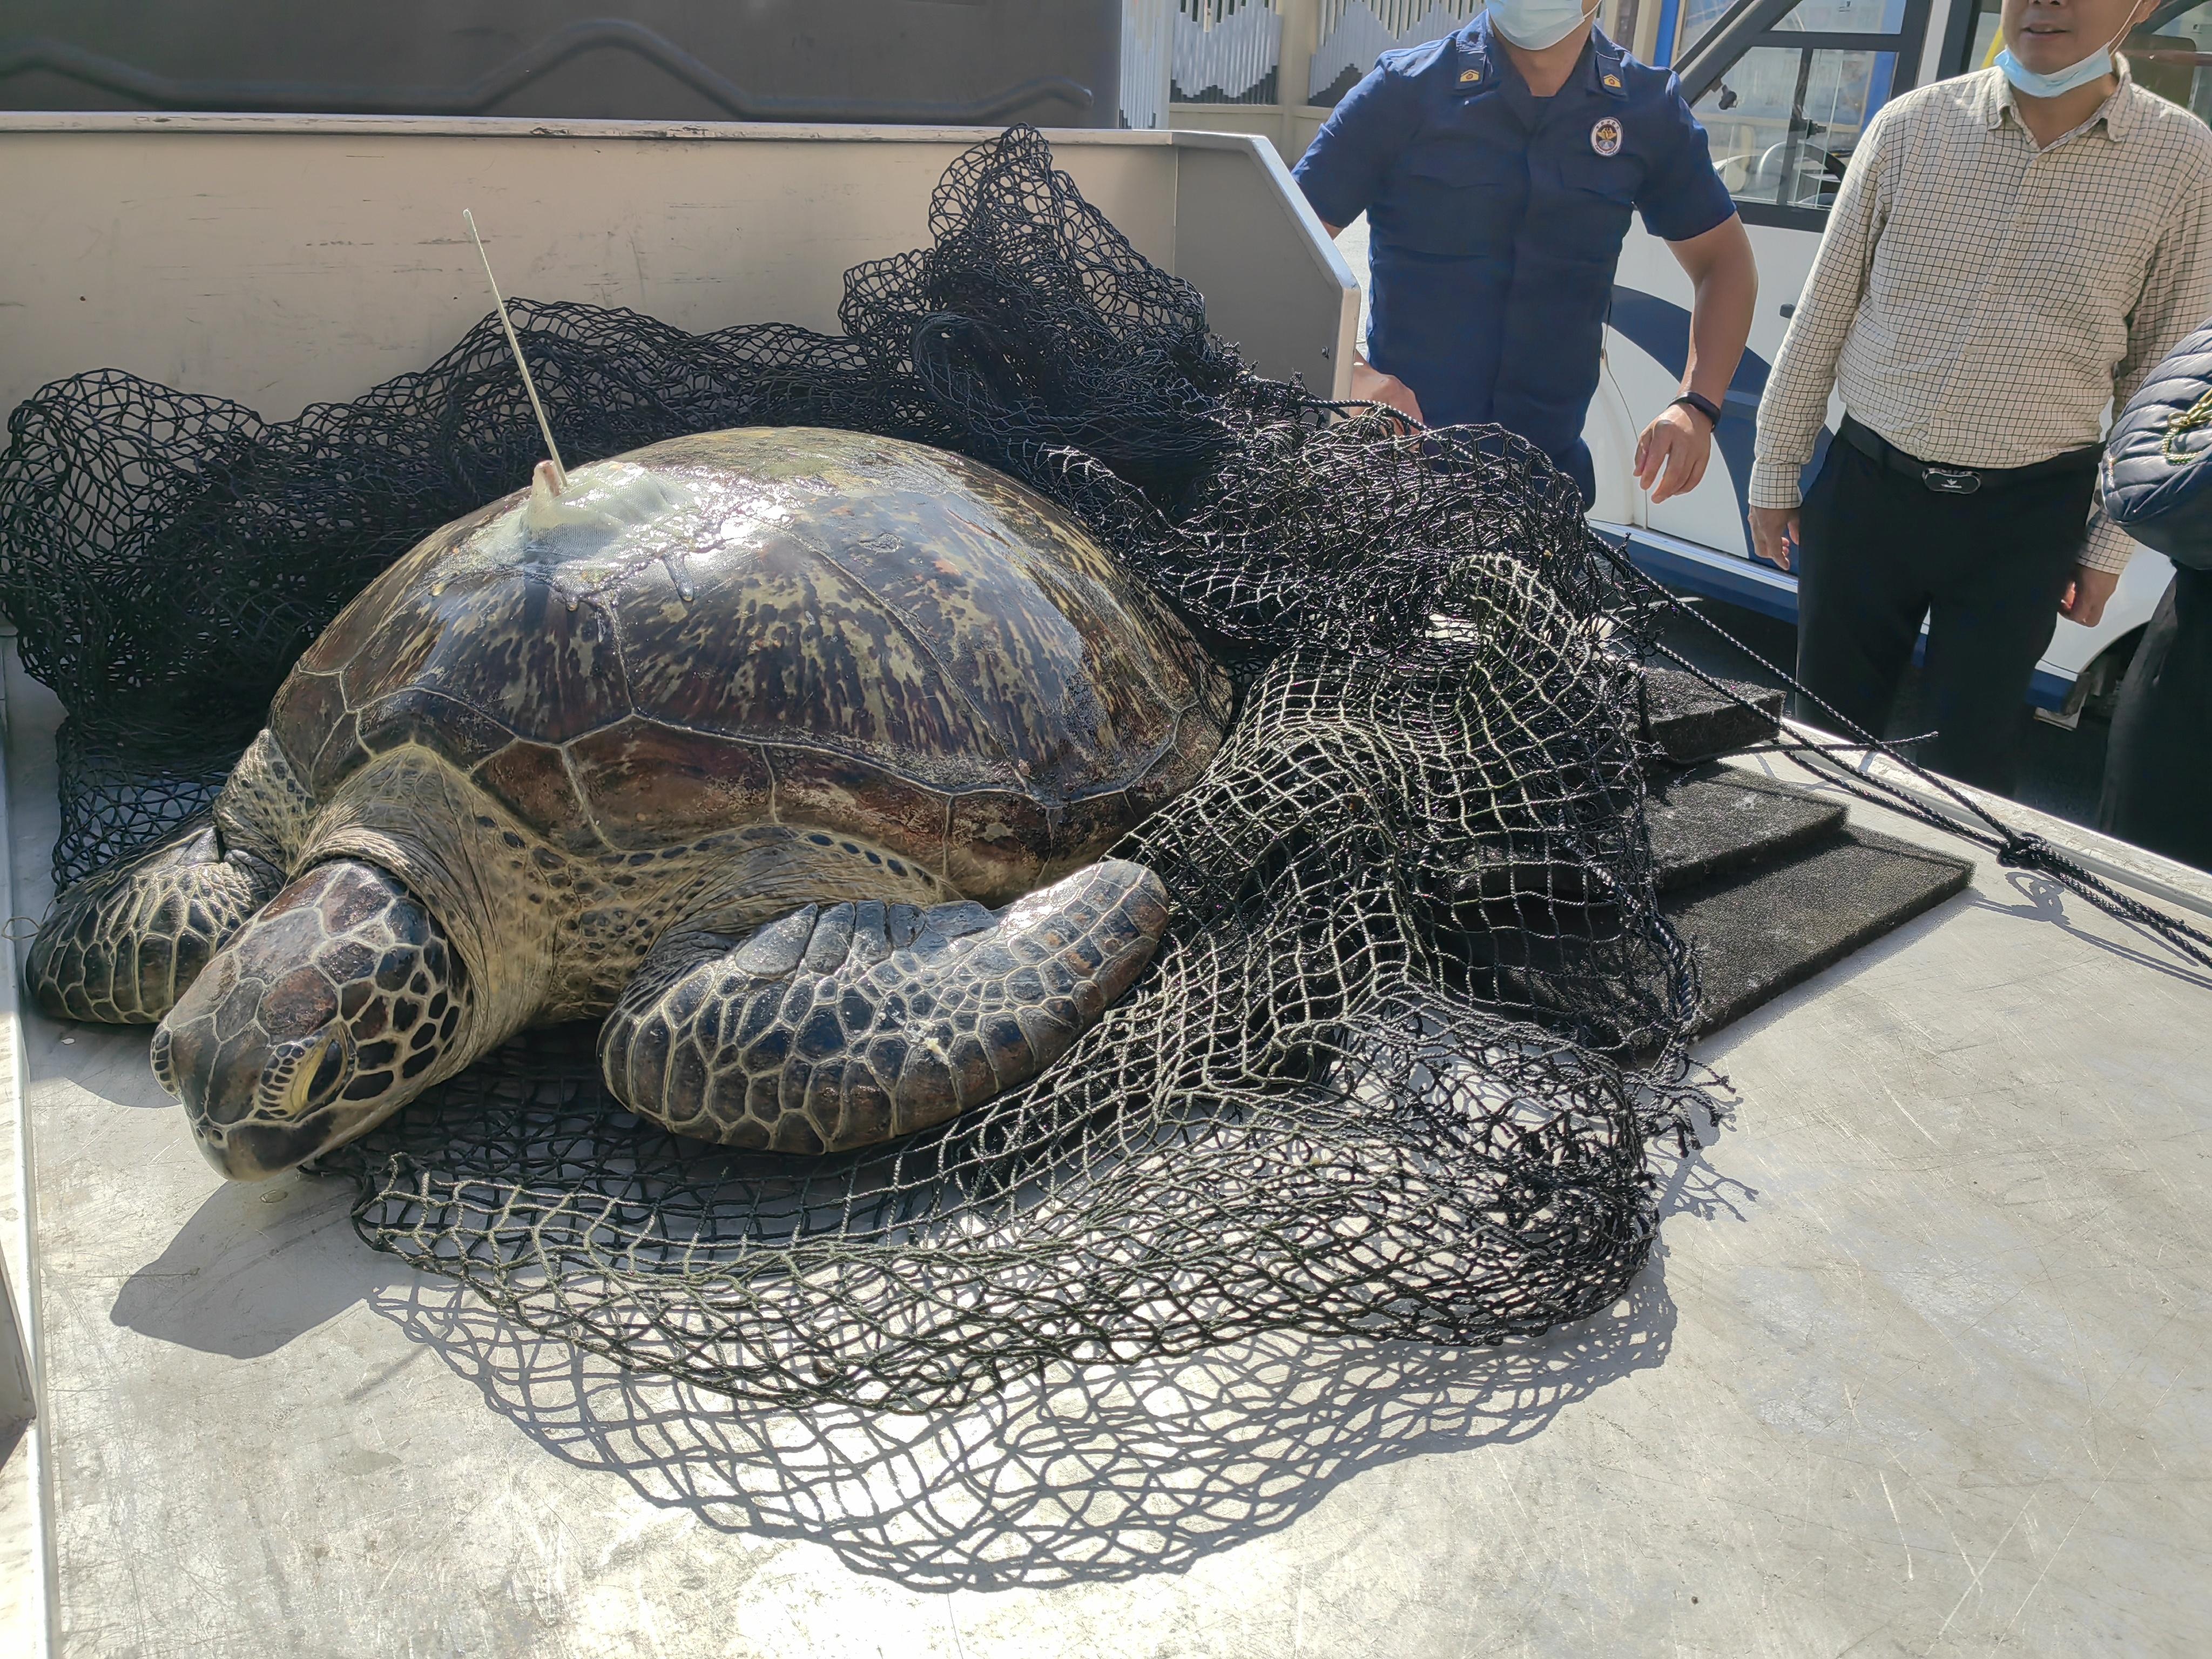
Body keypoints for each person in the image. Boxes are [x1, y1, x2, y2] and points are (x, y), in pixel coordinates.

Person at [1748, 0, 2212, 796]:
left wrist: (2106, 548)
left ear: (2137, 6)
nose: (2045, 2)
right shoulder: (1911, 127)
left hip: (2027, 520)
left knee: (1971, 769)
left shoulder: (2183, 160)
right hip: (1866, 494)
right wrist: (1775, 471)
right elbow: (1822, 317)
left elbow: (2159, 377)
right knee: (1820, 742)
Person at [1291, 0, 1756, 506]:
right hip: (1399, 486)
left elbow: (1725, 263)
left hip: (1545, 496)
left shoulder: (1646, 110)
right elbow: (1279, 246)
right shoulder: (1404, 91)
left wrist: (1696, 404)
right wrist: (1353, 377)